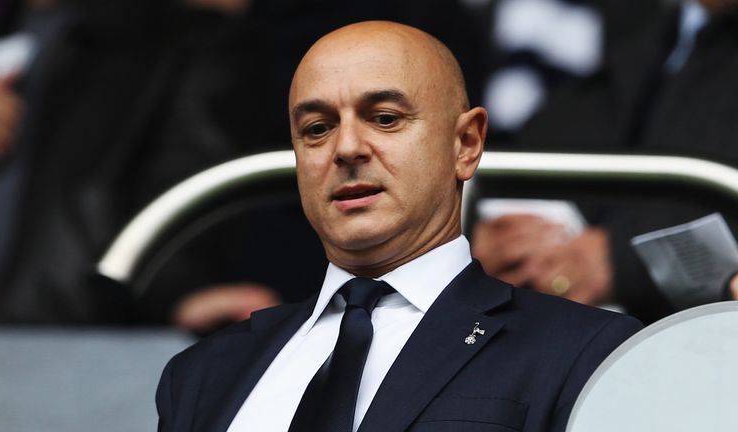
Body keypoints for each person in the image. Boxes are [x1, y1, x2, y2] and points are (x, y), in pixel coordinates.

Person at [155, 21, 642, 432]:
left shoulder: (585, 351)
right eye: (317, 128)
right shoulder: (203, 373)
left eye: (384, 118)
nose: (346, 148)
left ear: (467, 144)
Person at [472, 0, 738, 324]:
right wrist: (485, 234)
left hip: (697, 343)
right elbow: (543, 144)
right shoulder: (653, 29)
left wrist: (620, 262)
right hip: (581, 333)